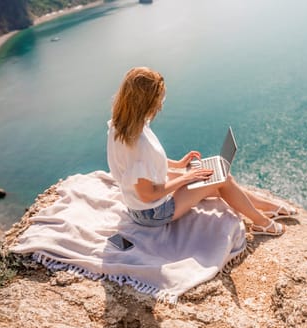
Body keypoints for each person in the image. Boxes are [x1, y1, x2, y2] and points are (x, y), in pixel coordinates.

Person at [107, 67, 296, 235]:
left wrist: (178, 165)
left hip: (142, 206)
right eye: (159, 98)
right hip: (152, 213)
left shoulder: (120, 126)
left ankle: (266, 207)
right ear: (147, 102)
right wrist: (186, 177)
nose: (161, 104)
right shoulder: (140, 142)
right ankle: (262, 222)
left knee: (216, 175)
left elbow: (143, 164)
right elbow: (147, 194)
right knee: (222, 179)